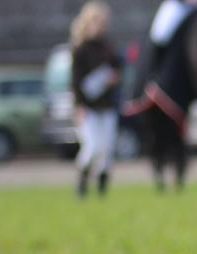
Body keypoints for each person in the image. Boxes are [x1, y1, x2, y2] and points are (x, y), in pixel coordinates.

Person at [70, 1, 122, 197]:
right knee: (91, 147)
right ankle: (81, 185)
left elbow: (118, 69)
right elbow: (75, 81)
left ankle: (102, 191)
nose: (101, 26)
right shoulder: (81, 49)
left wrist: (114, 78)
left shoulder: (108, 47)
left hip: (106, 105)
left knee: (106, 149)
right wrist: (78, 105)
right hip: (88, 107)